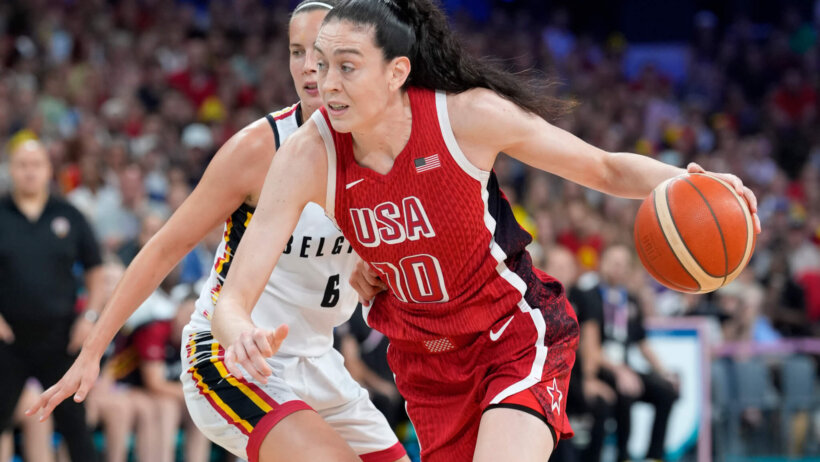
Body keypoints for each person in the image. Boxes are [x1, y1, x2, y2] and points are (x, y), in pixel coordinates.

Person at [209, 1, 760, 461]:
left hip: (511, 335)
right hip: (425, 362)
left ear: (397, 71)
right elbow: (233, 298)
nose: (325, 83)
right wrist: (242, 336)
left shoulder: (465, 118)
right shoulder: (307, 153)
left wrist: (702, 185)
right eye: (319, 65)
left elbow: (605, 169)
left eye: (346, 67)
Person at [27, 2, 409, 462]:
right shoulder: (257, 148)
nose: (309, 67)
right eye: (296, 51)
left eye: (322, 53)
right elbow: (166, 246)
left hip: (319, 360)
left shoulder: (384, 150)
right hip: (228, 358)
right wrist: (92, 351)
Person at [0, 139, 103, 462]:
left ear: (48, 170)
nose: (29, 172)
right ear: (11, 169)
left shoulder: (69, 215)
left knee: (75, 425)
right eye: (22, 165)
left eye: (36, 165)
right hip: (8, 340)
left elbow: (96, 272)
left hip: (61, 339)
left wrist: (89, 319)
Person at [573, 245, 679, 461]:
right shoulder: (589, 295)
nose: (617, 268)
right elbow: (589, 346)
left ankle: (654, 456)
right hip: (601, 366)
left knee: (667, 391)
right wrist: (618, 371)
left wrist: (663, 371)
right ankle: (624, 455)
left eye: (622, 264)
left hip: (624, 366)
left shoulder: (630, 300)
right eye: (613, 261)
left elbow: (642, 342)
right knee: (625, 390)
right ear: (602, 263)